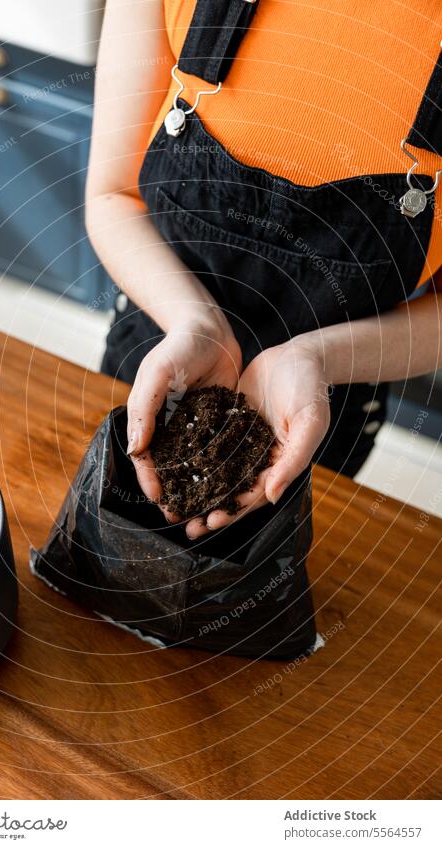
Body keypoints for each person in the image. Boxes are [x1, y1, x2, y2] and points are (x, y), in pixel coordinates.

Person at [86, 0, 442, 540]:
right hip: (154, 361)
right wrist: (195, 323)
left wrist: (316, 358)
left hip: (316, 412)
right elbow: (110, 196)